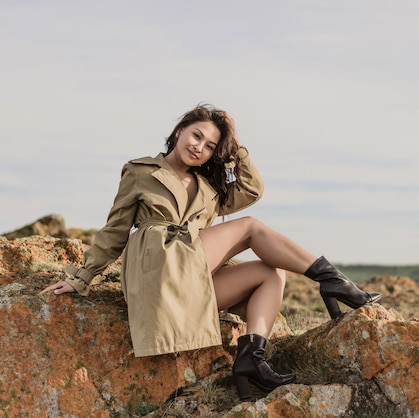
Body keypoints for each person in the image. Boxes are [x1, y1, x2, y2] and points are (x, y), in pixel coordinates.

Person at [41, 104, 381, 401]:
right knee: (250, 227)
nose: (199, 147)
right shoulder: (140, 171)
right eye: (196, 135)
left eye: (210, 146)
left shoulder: (210, 188)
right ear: (178, 131)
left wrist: (236, 144)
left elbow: (252, 188)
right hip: (159, 270)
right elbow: (115, 230)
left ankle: (251, 359)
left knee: (270, 272)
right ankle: (333, 281)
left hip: (190, 283)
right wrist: (82, 277)